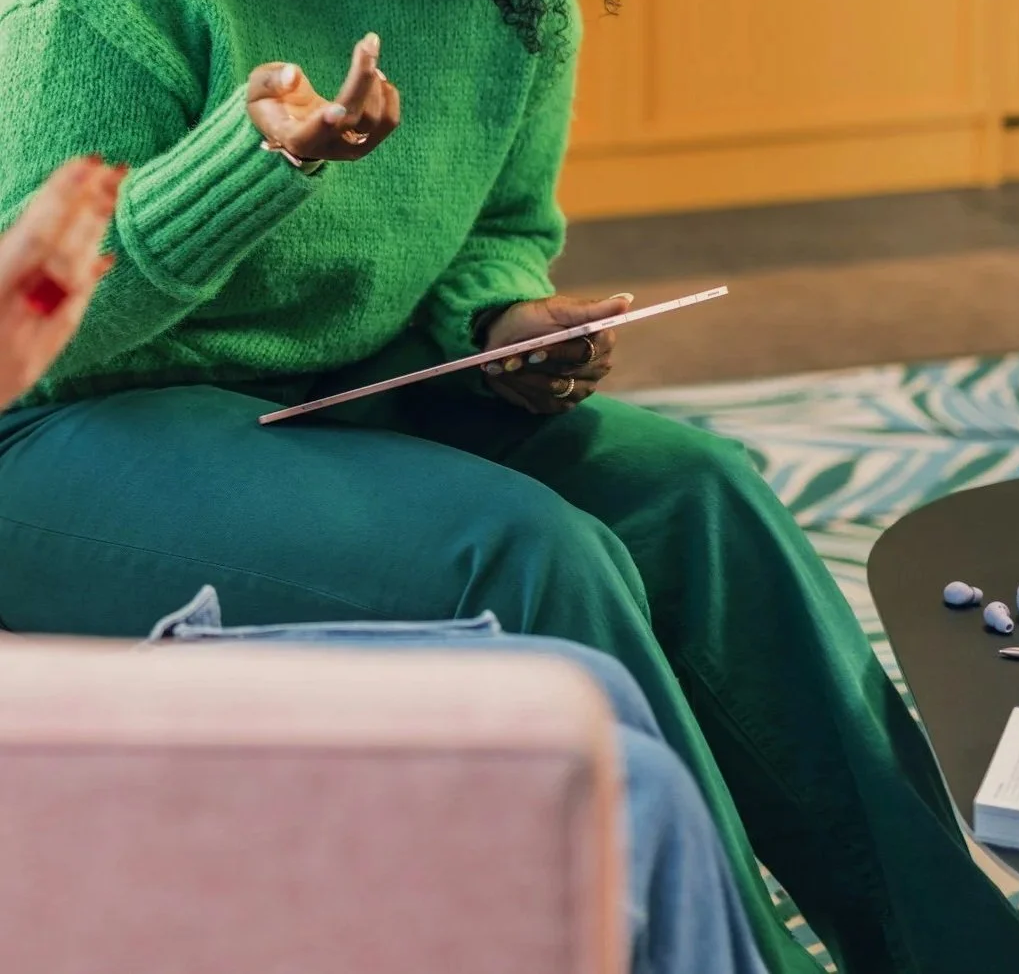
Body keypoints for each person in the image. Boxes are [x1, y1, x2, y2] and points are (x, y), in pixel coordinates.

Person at [0, 0, 1019, 974]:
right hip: (55, 441)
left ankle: (960, 959)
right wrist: (254, 156)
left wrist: (507, 331)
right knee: (528, 551)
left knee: (697, 491)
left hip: (308, 401)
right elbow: (28, 319)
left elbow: (489, 236)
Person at [0, 161, 768, 974]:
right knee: (613, 752)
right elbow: (70, 355)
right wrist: (263, 161)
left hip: (277, 390)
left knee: (633, 617)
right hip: (79, 443)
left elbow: (498, 229)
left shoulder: (522, 29)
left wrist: (495, 314)